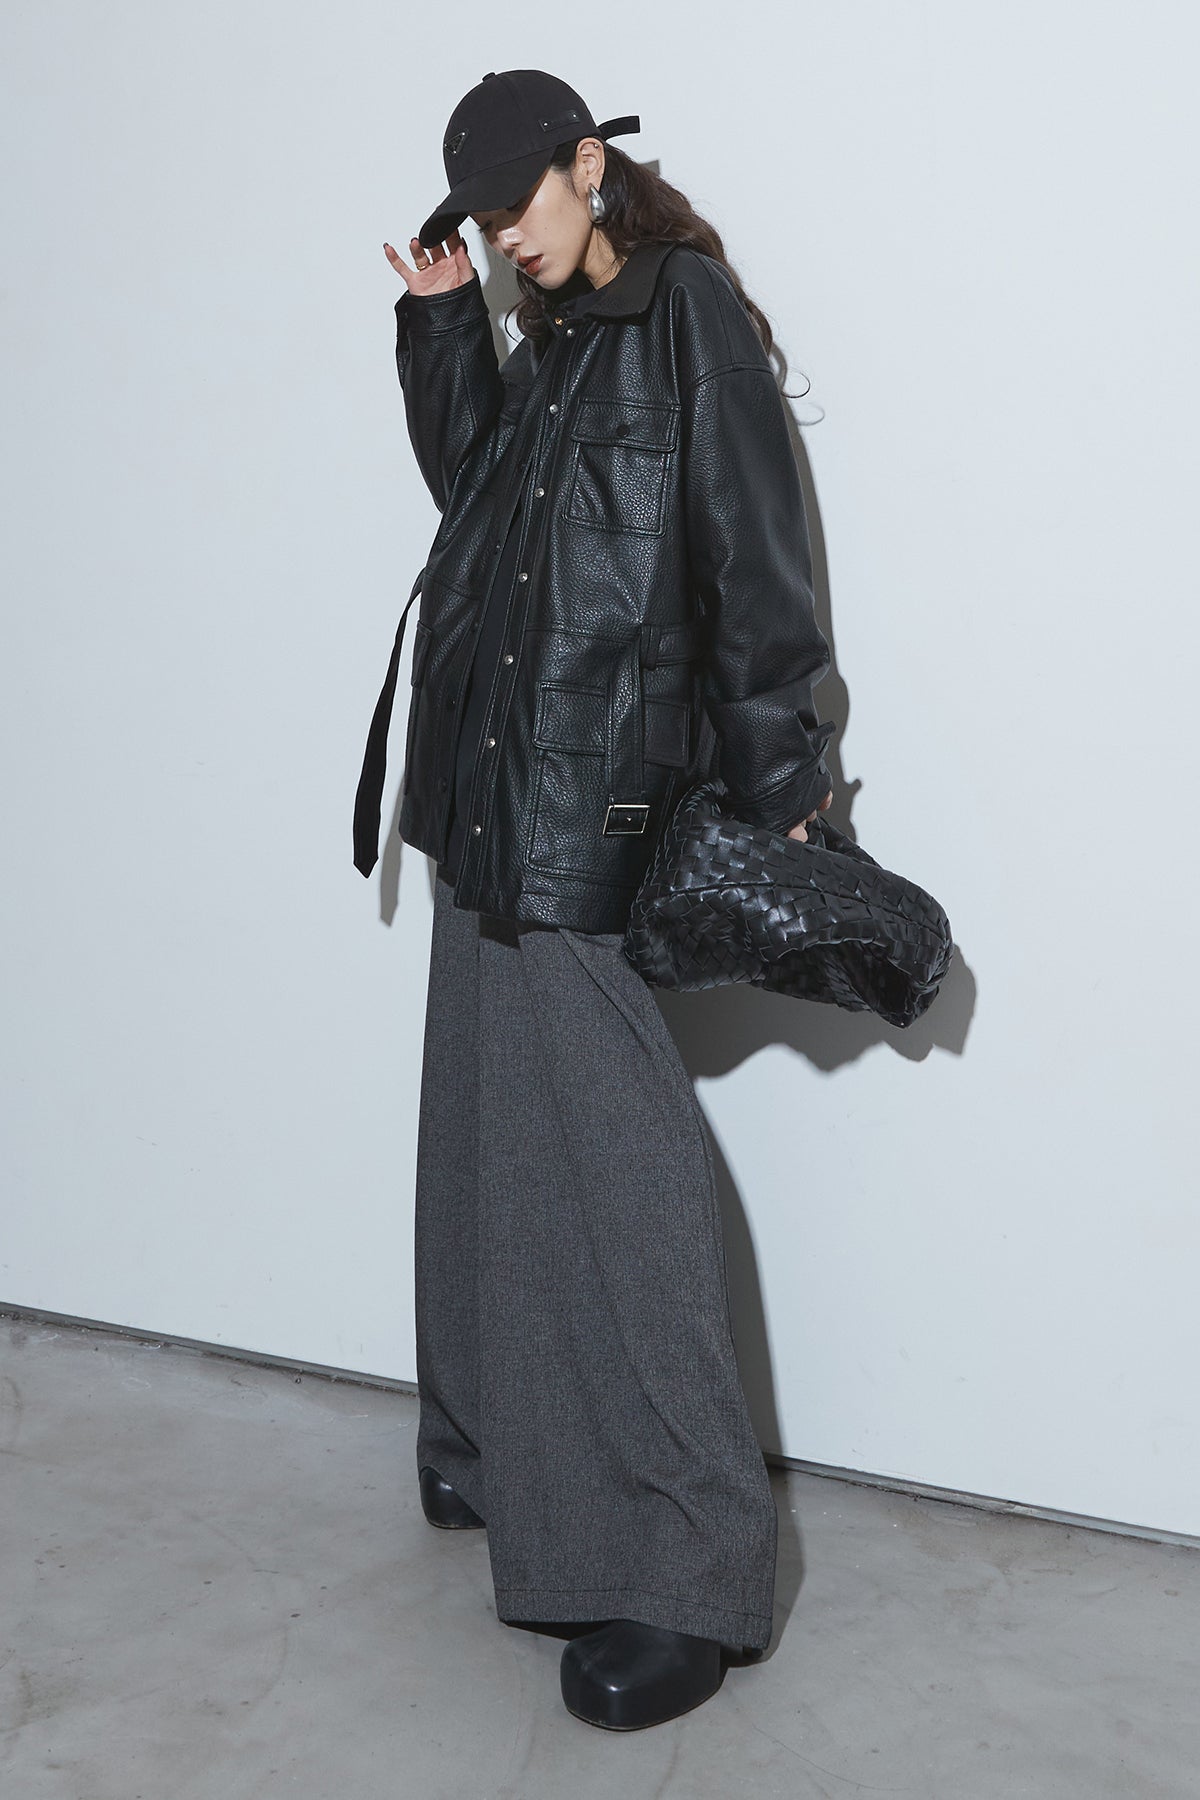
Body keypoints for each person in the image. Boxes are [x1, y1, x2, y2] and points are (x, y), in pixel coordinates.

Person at [365, 69, 834, 1731]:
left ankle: (693, 1569)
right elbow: (483, 504)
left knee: (623, 1172)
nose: (508, 242)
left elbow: (757, 559)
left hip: (597, 797)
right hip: (489, 777)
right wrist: (447, 331)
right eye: (486, 227)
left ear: (589, 165)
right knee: (480, 1133)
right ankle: (488, 1445)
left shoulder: (683, 313)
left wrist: (785, 784)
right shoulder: (550, 323)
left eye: (521, 211)